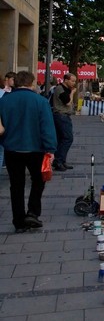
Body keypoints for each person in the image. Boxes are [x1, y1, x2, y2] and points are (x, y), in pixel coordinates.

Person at [0, 70, 57, 233]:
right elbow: (47, 127)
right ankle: (33, 212)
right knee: (38, 181)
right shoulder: (40, 101)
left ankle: (18, 220)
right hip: (35, 149)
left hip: (12, 149)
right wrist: (50, 148)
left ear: (16, 82)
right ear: (32, 83)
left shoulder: (4, 101)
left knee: (16, 185)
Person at [51, 72, 77, 171]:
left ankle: (61, 160)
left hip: (63, 115)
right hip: (61, 115)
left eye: (74, 81)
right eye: (72, 81)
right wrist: (72, 93)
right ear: (66, 80)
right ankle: (58, 160)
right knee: (67, 138)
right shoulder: (60, 89)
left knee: (61, 138)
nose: (74, 83)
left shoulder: (65, 88)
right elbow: (67, 102)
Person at [0, 71, 15, 169]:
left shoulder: (13, 91)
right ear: (7, 79)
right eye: (13, 79)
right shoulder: (2, 92)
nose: (15, 81)